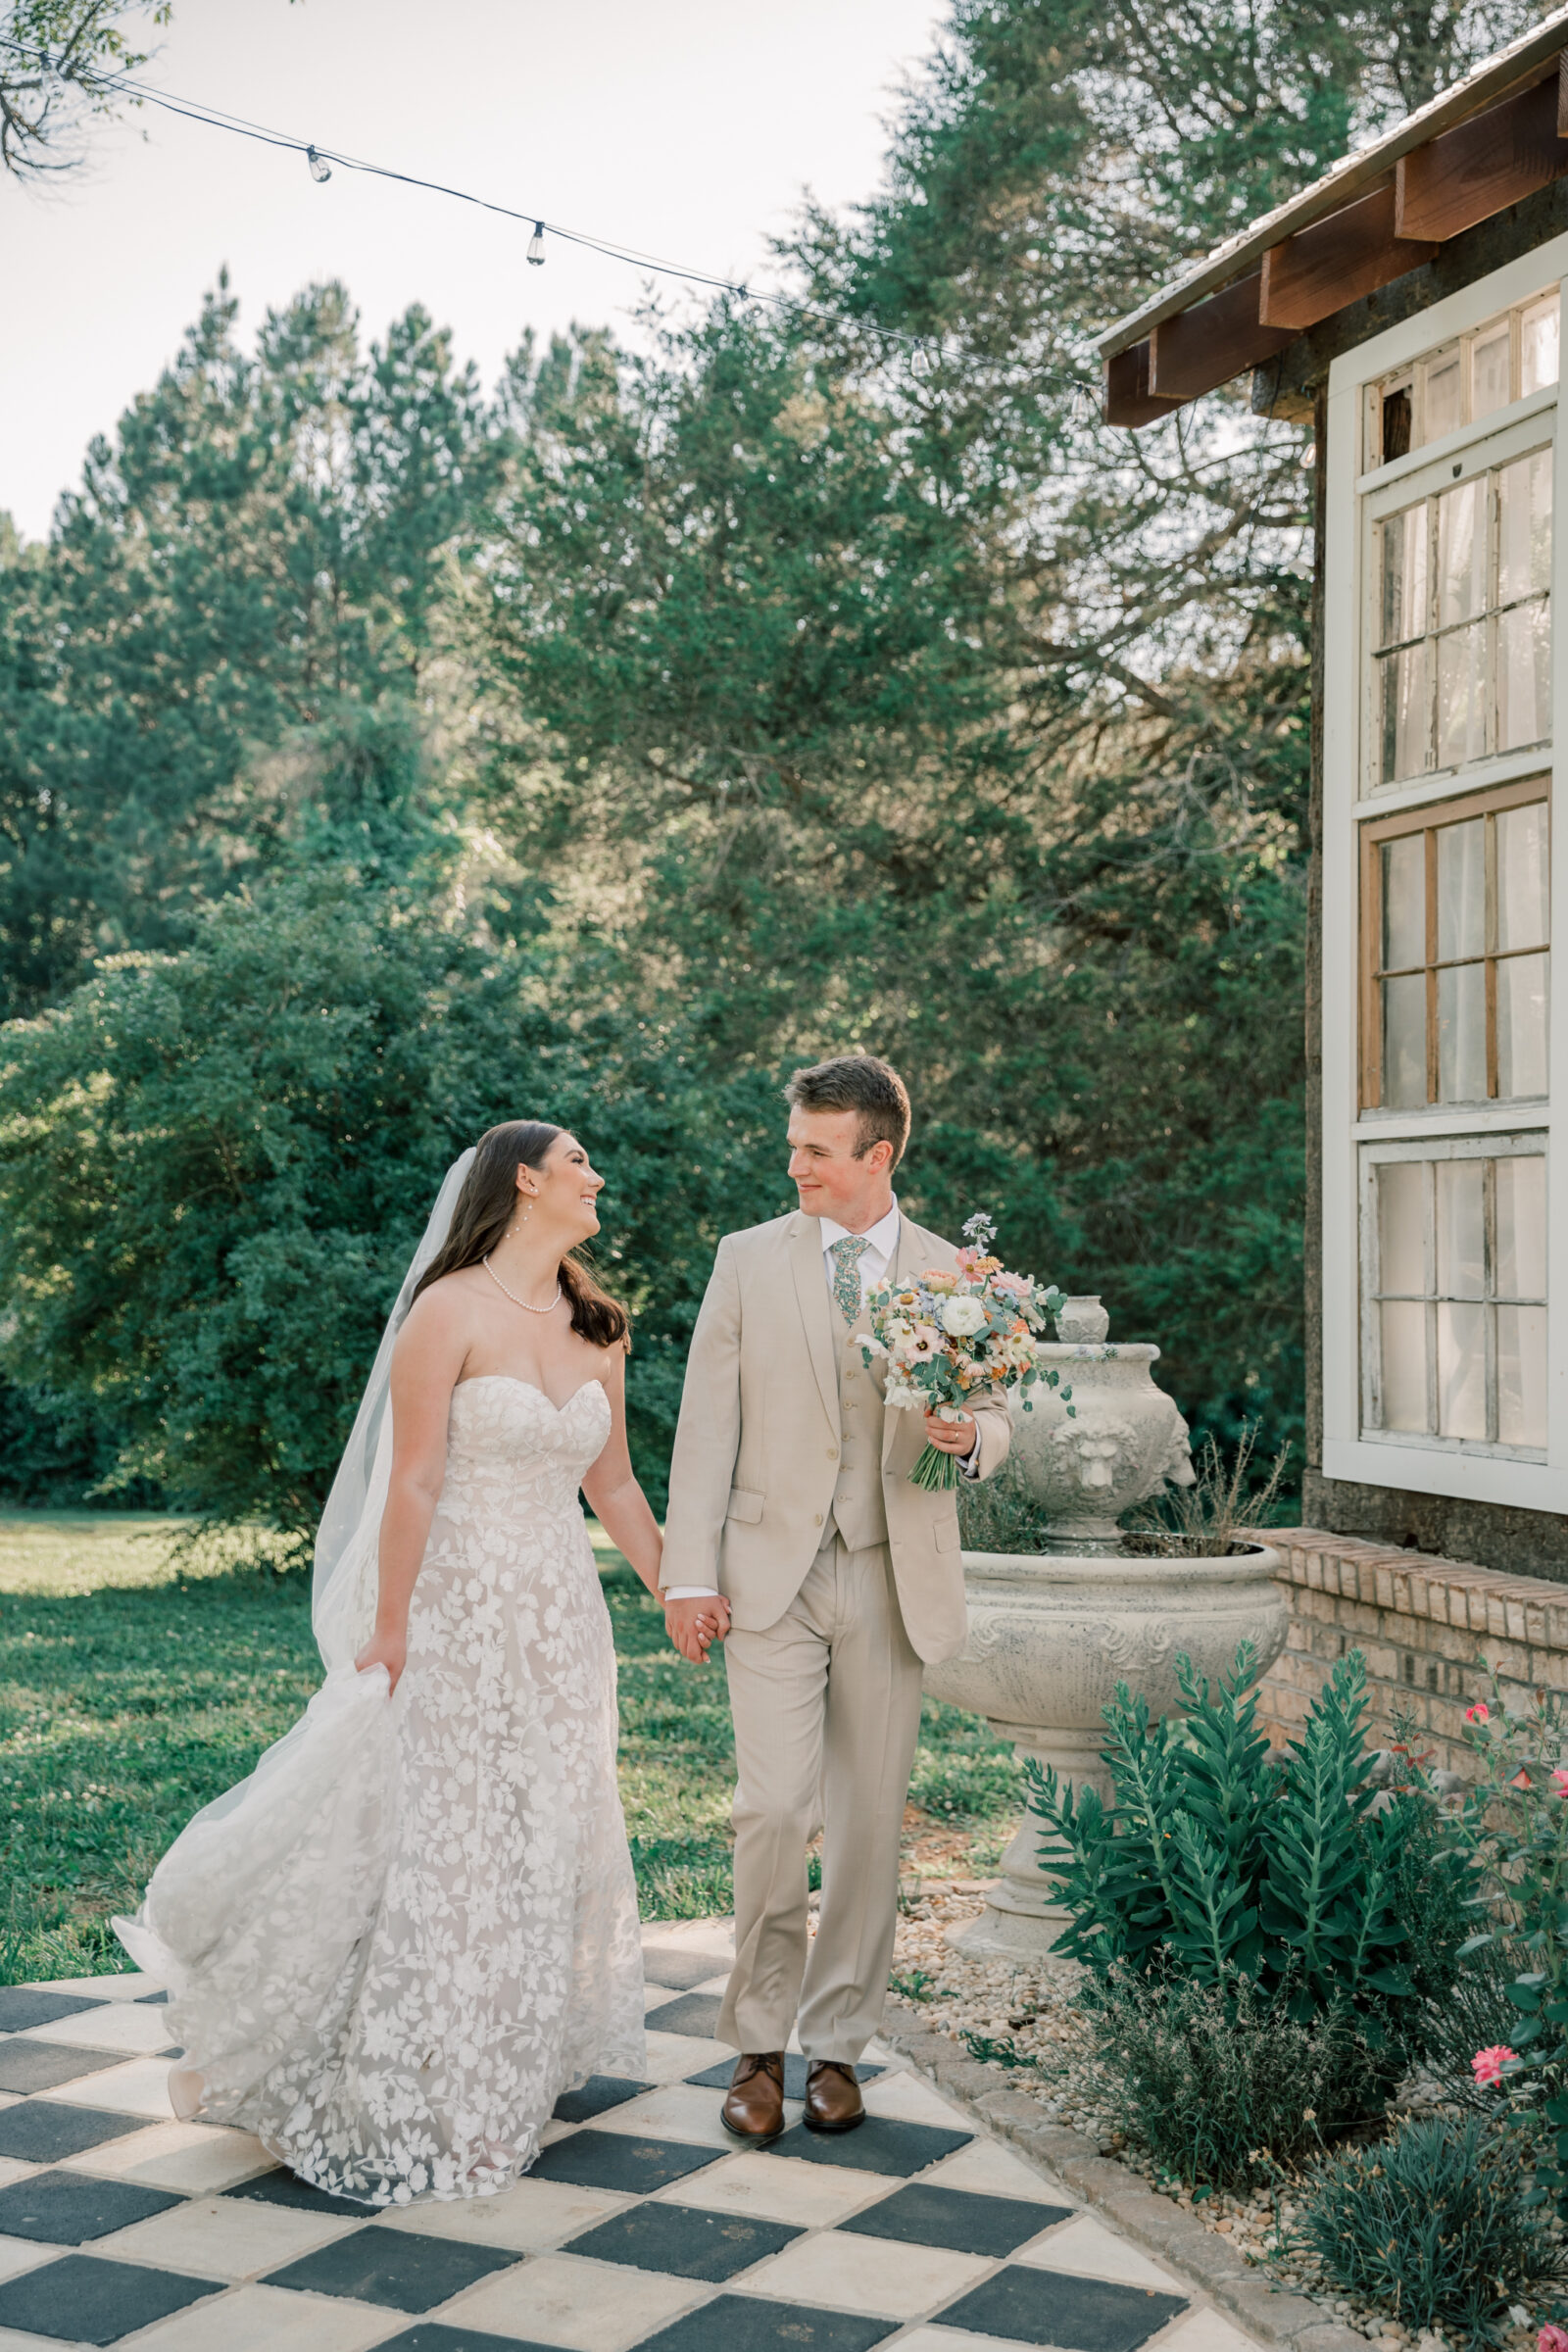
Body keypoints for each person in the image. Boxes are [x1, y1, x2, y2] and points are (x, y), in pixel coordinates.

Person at [116, 1120, 692, 2205]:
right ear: (525, 1182)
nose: (596, 1177)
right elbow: (416, 1479)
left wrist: (677, 1598)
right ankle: (433, 2077)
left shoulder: (597, 1326)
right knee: (447, 1833)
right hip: (453, 1607)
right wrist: (391, 1626)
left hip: (560, 1619)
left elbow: (612, 1488)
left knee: (540, 1823)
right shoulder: (447, 1310)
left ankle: (511, 2046)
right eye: (577, 1163)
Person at [661, 1054, 1011, 2142]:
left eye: (816, 1149)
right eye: (795, 1143)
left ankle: (838, 2046)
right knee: (771, 1811)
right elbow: (705, 1421)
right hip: (771, 1570)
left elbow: (998, 1412)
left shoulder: (956, 1272)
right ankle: (756, 2043)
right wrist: (688, 1570)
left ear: (877, 1155)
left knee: (866, 1825)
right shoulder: (745, 1259)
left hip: (892, 1569)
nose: (795, 1163)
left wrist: (972, 1439)